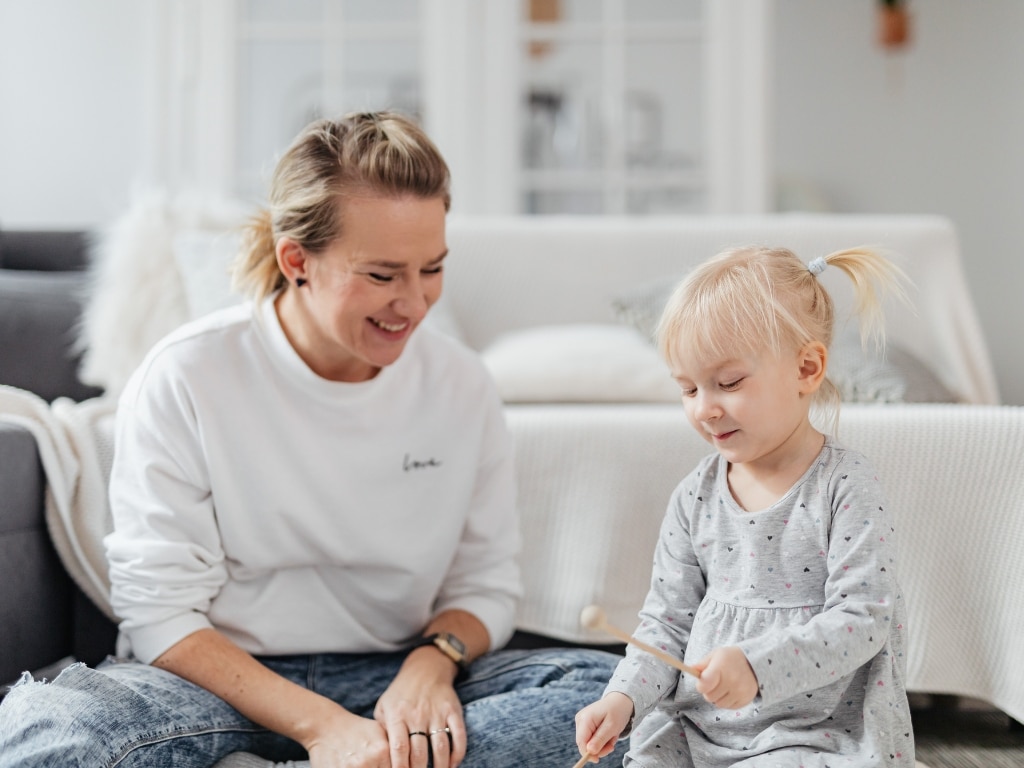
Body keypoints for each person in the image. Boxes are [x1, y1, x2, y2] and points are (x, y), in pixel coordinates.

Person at [0, 111, 628, 768]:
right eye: (382, 276)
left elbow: (485, 585)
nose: (413, 305)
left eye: (432, 269)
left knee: (620, 703)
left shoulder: (462, 385)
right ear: (296, 260)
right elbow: (159, 613)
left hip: (391, 677)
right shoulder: (186, 374)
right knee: (54, 728)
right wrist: (322, 728)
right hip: (213, 683)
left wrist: (431, 665)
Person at [574, 246, 916, 767]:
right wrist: (622, 700)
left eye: (728, 383)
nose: (704, 408)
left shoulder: (845, 484)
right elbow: (665, 623)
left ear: (806, 368)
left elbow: (864, 618)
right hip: (698, 728)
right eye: (688, 388)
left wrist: (758, 666)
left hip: (813, 733)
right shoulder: (694, 496)